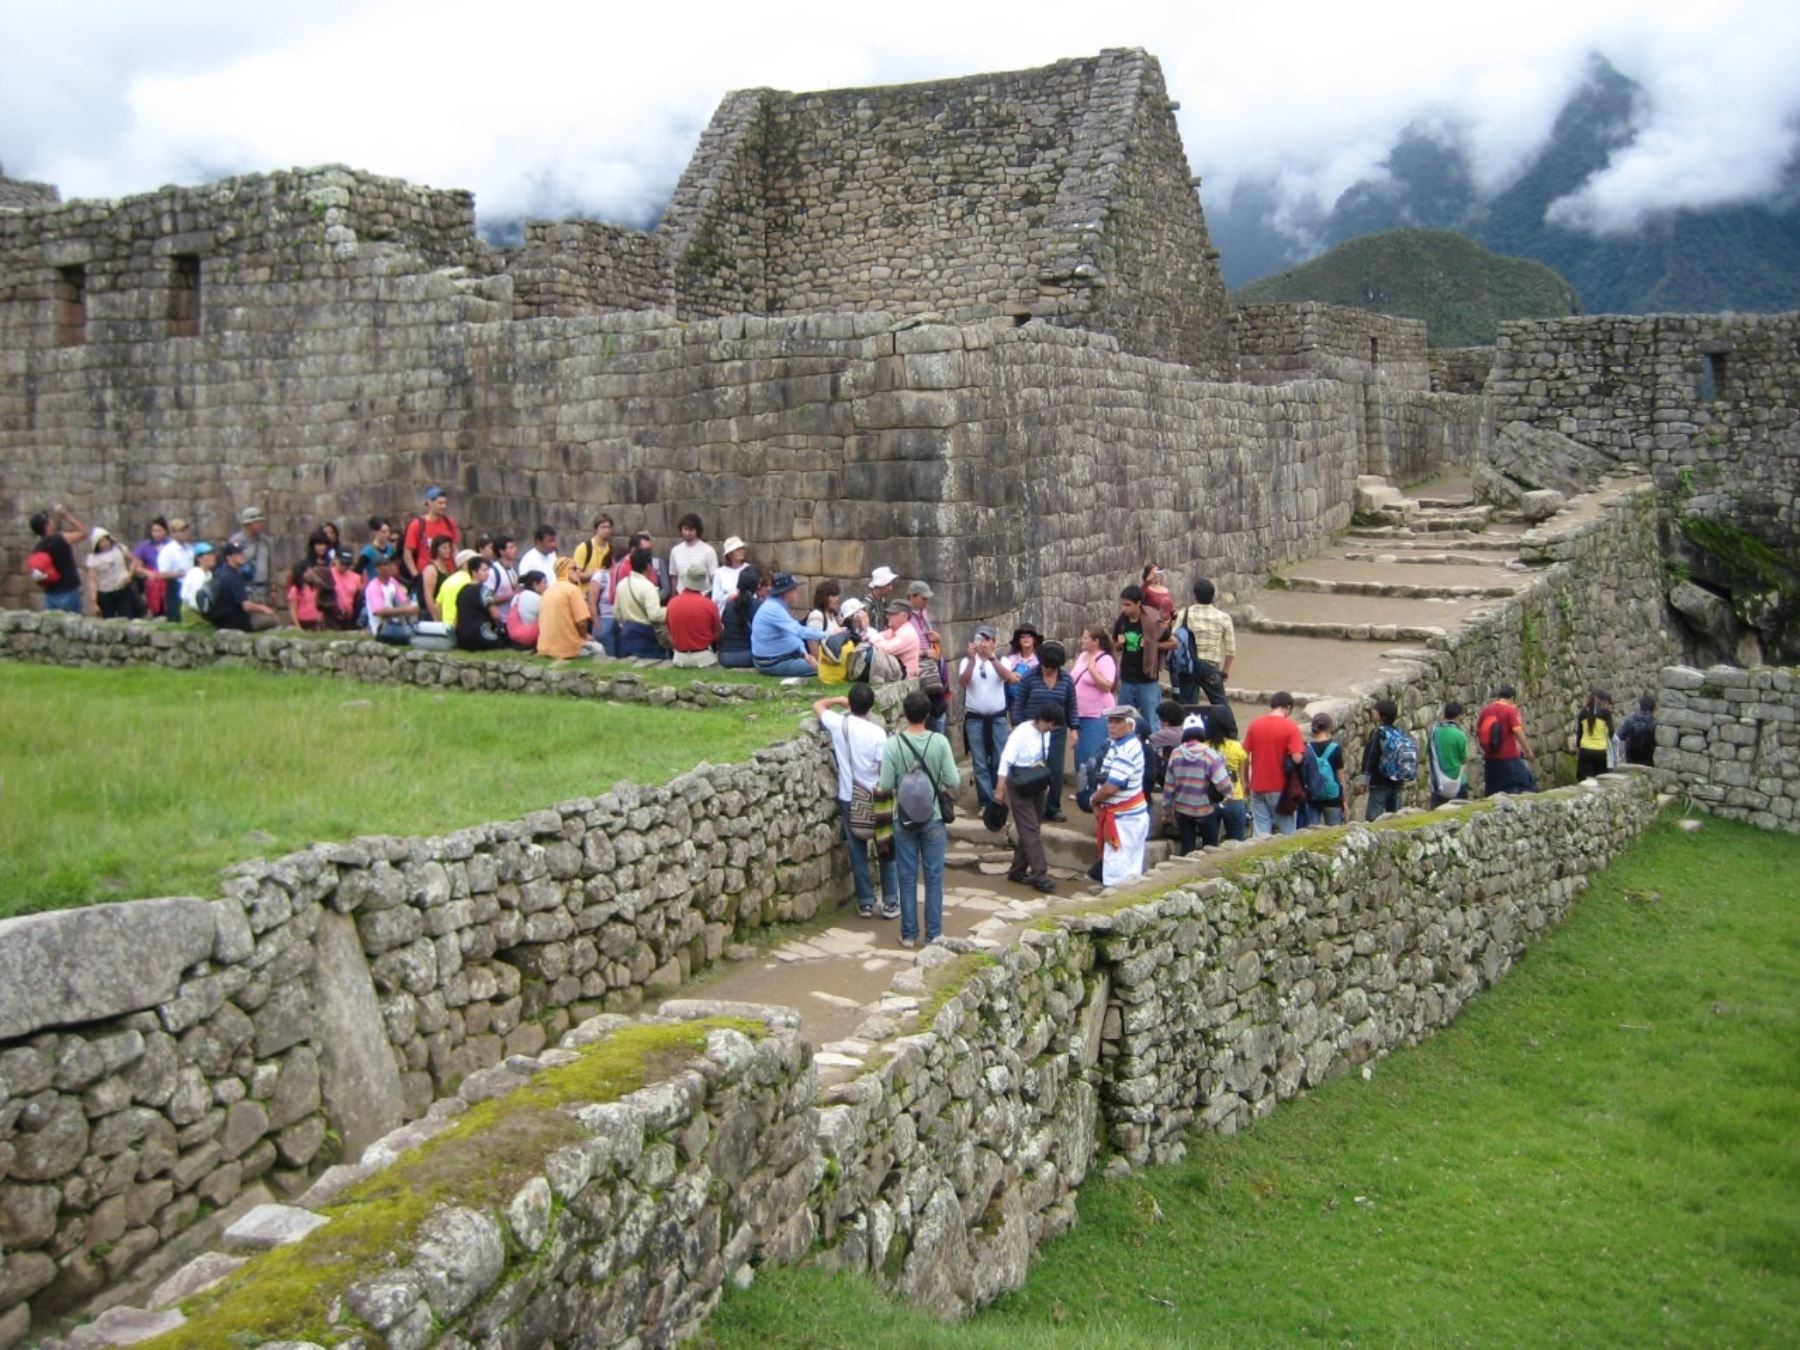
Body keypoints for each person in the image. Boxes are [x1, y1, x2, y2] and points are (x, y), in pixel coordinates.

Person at [877, 691, 959, 947]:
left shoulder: (893, 745)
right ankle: (934, 934)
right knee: (934, 876)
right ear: (927, 715)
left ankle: (909, 933)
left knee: (907, 875)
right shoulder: (939, 742)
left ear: (904, 713)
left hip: (904, 819)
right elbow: (953, 780)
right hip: (933, 817)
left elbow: (886, 784)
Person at [815, 687, 899, 919]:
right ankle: (891, 901)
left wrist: (836, 700)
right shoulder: (878, 733)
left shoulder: (839, 724)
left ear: (850, 704)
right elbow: (884, 769)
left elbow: (818, 706)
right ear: (871, 707)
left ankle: (865, 902)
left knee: (857, 850)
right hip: (877, 798)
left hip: (849, 796)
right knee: (885, 849)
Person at [995, 703, 1064, 893]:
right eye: (1050, 724)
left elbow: (1044, 757)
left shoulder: (1046, 733)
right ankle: (1039, 873)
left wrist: (1047, 782)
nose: (1051, 728)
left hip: (1037, 780)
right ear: (1041, 719)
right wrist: (1000, 788)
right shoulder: (1021, 733)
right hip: (1019, 782)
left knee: (1032, 828)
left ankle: (1017, 869)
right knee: (1030, 829)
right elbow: (1006, 759)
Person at [1014, 641, 1077, 821]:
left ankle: (1053, 807)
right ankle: (1035, 807)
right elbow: (1019, 703)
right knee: (1034, 769)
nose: (1048, 670)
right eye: (1045, 667)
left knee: (1055, 770)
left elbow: (1071, 705)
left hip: (1056, 731)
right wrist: (1018, 725)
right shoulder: (1029, 678)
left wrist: (1074, 728)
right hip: (1033, 730)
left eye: (1052, 668)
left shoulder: (1066, 680)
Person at [1091, 705, 1152, 886]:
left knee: (1117, 868)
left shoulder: (1126, 750)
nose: (1112, 726)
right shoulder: (1118, 745)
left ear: (1130, 725)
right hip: (1128, 816)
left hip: (1124, 820)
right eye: (1110, 721)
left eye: (1118, 722)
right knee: (1131, 865)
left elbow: (1112, 787)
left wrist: (1094, 799)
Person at [958, 625, 1014, 809]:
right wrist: (972, 659)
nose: (983, 643)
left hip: (997, 718)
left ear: (994, 642)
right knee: (980, 761)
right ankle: (986, 801)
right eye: (979, 639)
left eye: (987, 639)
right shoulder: (967, 662)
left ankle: (997, 795)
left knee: (999, 759)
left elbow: (1007, 677)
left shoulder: (1002, 660)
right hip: (974, 718)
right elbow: (964, 682)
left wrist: (991, 658)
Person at [1162, 713, 1235, 855]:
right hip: (1205, 809)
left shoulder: (1176, 754)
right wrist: (1229, 795)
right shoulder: (1210, 754)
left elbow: (1169, 785)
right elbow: (1223, 784)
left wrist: (1167, 809)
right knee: (1211, 849)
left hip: (1183, 809)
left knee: (1187, 847)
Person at [1070, 626, 1119, 810]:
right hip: (1079, 714)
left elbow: (1107, 685)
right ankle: (1084, 790)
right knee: (1080, 756)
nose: (1082, 641)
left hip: (1097, 714)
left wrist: (1092, 669)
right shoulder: (1082, 657)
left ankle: (1094, 792)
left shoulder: (1105, 660)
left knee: (1092, 755)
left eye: (1085, 638)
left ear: (1096, 641)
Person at [1243, 692, 1306, 837]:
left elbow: (1244, 755)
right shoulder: (1291, 727)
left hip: (1258, 785)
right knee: (1287, 832)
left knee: (1260, 831)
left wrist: (1246, 781)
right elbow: (1297, 758)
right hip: (1281, 788)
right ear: (1288, 707)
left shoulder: (1255, 724)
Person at [1111, 584, 1172, 726]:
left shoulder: (1151, 621)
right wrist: (1119, 644)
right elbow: (1115, 645)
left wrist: (1152, 645)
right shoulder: (1122, 621)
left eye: (1128, 605)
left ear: (1138, 604)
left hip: (1147, 680)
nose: (1124, 608)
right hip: (1127, 679)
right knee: (1123, 720)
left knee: (1151, 720)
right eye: (1123, 605)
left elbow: (1173, 643)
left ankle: (1152, 747)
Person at [751, 571, 827, 677]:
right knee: (824, 669)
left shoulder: (777, 606)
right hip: (772, 662)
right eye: (794, 590)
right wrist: (827, 634)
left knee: (818, 665)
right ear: (784, 593)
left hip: (781, 657)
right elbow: (798, 631)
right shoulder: (773, 609)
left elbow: (791, 634)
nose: (797, 593)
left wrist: (804, 653)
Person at [1174, 578, 1235, 708]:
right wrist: (1226, 669)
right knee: (1220, 703)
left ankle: (1189, 727)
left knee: (1188, 706)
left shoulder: (1184, 614)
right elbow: (1230, 649)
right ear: (1213, 595)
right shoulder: (1223, 617)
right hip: (1210, 665)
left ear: (1195, 595)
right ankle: (1228, 727)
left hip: (1188, 665)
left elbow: (1174, 639)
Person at [1478, 684, 1538, 796]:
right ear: (1512, 698)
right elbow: (1518, 732)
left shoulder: (1485, 711)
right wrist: (1528, 752)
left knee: (1493, 792)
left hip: (1490, 760)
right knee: (1526, 786)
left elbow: (1479, 731)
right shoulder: (1510, 711)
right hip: (1509, 758)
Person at [537, 558, 602, 659]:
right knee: (599, 649)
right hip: (568, 648)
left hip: (545, 648)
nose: (578, 572)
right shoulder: (572, 589)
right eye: (575, 568)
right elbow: (582, 622)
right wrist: (585, 636)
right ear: (566, 570)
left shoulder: (547, 591)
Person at [207, 539, 278, 631]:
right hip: (235, 622)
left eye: (241, 552)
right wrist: (263, 608)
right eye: (237, 554)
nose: (242, 556)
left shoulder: (221, 572)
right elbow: (246, 606)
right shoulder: (232, 577)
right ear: (229, 557)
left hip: (222, 620)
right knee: (273, 619)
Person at [905, 581, 948, 733]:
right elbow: (903, 648)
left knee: (939, 710)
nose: (926, 601)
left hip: (931, 670)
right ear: (912, 597)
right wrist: (924, 653)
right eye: (923, 598)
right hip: (918, 670)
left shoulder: (923, 614)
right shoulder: (906, 617)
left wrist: (937, 639)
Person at [28, 505, 87, 614]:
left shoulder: (38, 548)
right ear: (47, 525)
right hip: (68, 592)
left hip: (50, 595)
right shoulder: (60, 539)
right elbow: (84, 533)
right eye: (49, 520)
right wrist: (66, 516)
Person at [402, 487, 461, 595]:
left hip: (450, 573)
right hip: (427, 575)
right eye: (440, 503)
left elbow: (454, 548)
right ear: (429, 502)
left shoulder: (449, 523)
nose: (444, 506)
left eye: (445, 503)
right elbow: (407, 554)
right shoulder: (417, 525)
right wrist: (416, 576)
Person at [1357, 699, 1407, 822]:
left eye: (1376, 710)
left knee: (1374, 818)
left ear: (1382, 716)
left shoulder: (1378, 733)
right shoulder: (1400, 732)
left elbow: (1370, 758)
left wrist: (1364, 781)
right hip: (1397, 782)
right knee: (1395, 818)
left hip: (1379, 782)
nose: (1373, 712)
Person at [1207, 705, 1250, 842]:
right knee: (1236, 843)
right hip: (1234, 798)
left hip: (1209, 800)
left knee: (1209, 844)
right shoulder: (1238, 748)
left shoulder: (1204, 747)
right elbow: (1243, 779)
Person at [668, 561, 722, 667]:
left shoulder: (672, 603)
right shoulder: (709, 605)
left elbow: (670, 631)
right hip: (704, 657)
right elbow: (717, 634)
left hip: (679, 657)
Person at [88, 528, 144, 619]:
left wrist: (130, 574)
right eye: (101, 542)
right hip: (105, 592)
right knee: (109, 619)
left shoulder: (119, 548)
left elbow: (135, 560)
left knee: (128, 616)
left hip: (123, 589)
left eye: (106, 540)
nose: (104, 543)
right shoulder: (93, 559)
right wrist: (93, 602)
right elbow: (92, 580)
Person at [453, 558, 506, 650]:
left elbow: (457, 618)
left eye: (488, 570)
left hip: (462, 638)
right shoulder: (484, 590)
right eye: (484, 570)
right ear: (474, 572)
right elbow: (496, 615)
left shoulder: (462, 590)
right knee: (504, 639)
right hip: (480, 635)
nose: (487, 573)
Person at [718, 568, 766, 669]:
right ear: (758, 585)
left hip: (725, 657)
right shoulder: (759, 606)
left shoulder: (729, 605)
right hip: (749, 656)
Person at [1427, 701, 1472, 806]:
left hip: (1438, 782)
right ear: (1459, 716)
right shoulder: (1460, 735)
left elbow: (1429, 753)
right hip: (1458, 781)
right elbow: (1464, 758)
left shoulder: (1433, 732)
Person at [1307, 712, 1348, 825]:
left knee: (1311, 834)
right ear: (1329, 728)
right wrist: (1344, 800)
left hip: (1313, 796)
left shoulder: (1308, 748)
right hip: (1333, 798)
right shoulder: (1335, 748)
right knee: (1334, 833)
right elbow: (1340, 776)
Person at [364, 553, 418, 639]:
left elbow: (404, 601)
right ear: (378, 569)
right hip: (382, 629)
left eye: (392, 563)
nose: (391, 566)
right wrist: (405, 610)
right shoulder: (374, 586)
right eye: (387, 564)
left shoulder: (392, 581)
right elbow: (379, 611)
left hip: (397, 624)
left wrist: (411, 607)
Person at [229, 507, 274, 609]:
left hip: (263, 589)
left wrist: (273, 588)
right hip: (245, 588)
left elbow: (271, 564)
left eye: (260, 522)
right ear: (247, 524)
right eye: (256, 522)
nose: (260, 525)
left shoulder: (266, 541)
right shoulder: (236, 541)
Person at [155, 518, 196, 624]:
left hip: (190, 587)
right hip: (176, 588)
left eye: (186, 530)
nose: (185, 533)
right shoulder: (168, 551)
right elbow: (162, 574)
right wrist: (183, 573)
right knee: (178, 619)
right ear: (173, 533)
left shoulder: (190, 548)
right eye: (181, 530)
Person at [668, 513, 718, 598]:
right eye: (685, 529)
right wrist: (673, 597)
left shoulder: (708, 551)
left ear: (697, 530)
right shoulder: (675, 551)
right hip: (681, 595)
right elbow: (674, 576)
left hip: (703, 595)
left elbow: (714, 577)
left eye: (691, 530)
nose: (687, 533)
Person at [868, 600, 922, 676]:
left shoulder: (907, 633)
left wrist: (869, 633)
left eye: (892, 614)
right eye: (888, 613)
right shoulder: (895, 630)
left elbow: (886, 649)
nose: (887, 616)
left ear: (904, 616)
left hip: (906, 682)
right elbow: (878, 636)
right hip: (897, 676)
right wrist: (871, 635)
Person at [434, 549, 480, 632]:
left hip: (447, 627)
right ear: (465, 564)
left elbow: (437, 606)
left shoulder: (448, 580)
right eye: (474, 561)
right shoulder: (470, 581)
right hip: (462, 628)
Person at [1005, 623, 1042, 723]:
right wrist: (1010, 677)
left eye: (1029, 636)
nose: (1026, 639)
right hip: (1015, 703)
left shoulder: (1040, 660)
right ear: (1019, 640)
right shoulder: (1011, 659)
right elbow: (1003, 678)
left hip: (1034, 702)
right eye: (1022, 637)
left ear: (1034, 639)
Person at [133, 517, 170, 617]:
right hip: (153, 582)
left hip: (168, 580)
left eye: (159, 531)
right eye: (154, 531)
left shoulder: (171, 545)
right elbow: (135, 566)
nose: (157, 534)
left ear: (165, 531)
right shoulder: (145, 546)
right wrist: (147, 573)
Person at [1576, 689, 1615, 781]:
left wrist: (1578, 750)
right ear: (1602, 701)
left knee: (1585, 780)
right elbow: (1611, 732)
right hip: (1600, 751)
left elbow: (1579, 734)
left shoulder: (1582, 713)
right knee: (1600, 780)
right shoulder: (1606, 714)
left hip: (1585, 750)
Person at [420, 536, 458, 622]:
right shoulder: (431, 569)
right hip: (435, 614)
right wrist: (435, 617)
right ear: (436, 550)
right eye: (444, 548)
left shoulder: (446, 568)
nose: (448, 550)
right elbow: (428, 595)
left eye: (449, 547)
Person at [505, 570, 547, 649]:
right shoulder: (536, 599)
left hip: (515, 637)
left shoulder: (517, 596)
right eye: (544, 583)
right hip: (530, 638)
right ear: (535, 584)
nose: (547, 586)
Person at [179, 543, 217, 627]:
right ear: (199, 558)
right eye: (208, 555)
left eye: (212, 554)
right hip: (191, 611)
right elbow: (194, 599)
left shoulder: (208, 573)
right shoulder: (197, 573)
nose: (213, 557)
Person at [1617, 695, 1658, 768]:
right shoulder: (1655, 724)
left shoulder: (1630, 721)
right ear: (1653, 709)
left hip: (1631, 760)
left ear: (1640, 706)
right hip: (1648, 762)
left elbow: (1619, 736)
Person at [483, 534, 519, 612]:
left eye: (515, 546)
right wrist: (510, 595)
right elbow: (486, 598)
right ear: (501, 551)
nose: (515, 549)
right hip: (501, 620)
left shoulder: (512, 569)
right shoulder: (493, 572)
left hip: (511, 618)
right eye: (511, 547)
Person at [712, 536, 749, 609]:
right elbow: (715, 599)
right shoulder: (719, 573)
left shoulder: (749, 569)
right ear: (729, 554)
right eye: (737, 550)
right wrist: (728, 598)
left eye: (742, 548)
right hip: (726, 614)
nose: (741, 551)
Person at [356, 516, 398, 580]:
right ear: (375, 532)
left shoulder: (390, 548)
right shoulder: (367, 552)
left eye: (388, 531)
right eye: (383, 532)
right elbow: (356, 572)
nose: (387, 535)